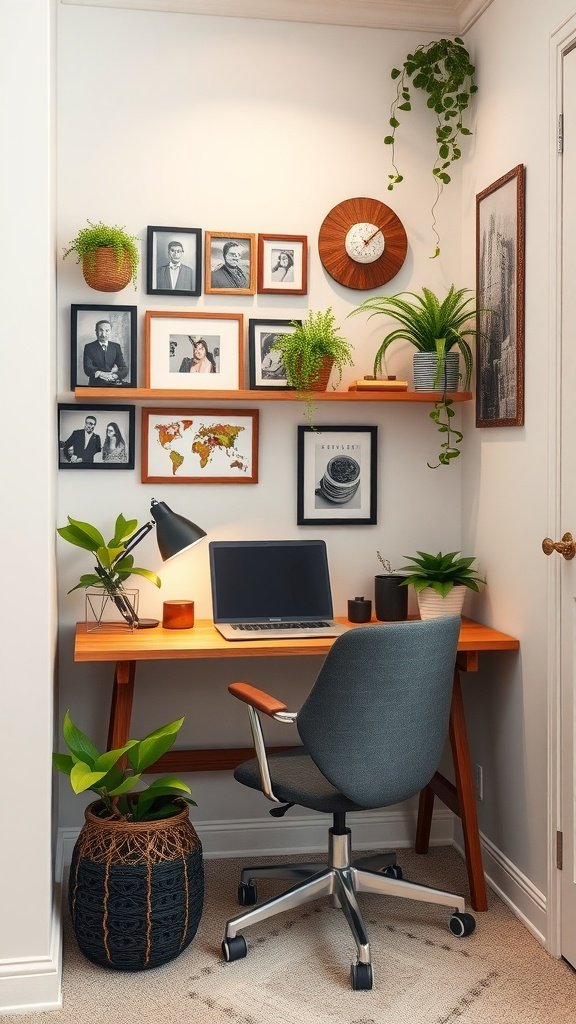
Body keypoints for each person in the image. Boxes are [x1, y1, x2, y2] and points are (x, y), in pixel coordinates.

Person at [83, 320, 129, 387]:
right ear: (96, 331)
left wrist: (115, 375)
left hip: (113, 382)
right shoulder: (89, 347)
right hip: (96, 385)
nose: (104, 334)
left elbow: (123, 368)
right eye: (101, 330)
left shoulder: (116, 346)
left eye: (107, 331)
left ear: (110, 332)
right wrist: (100, 373)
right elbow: (87, 368)